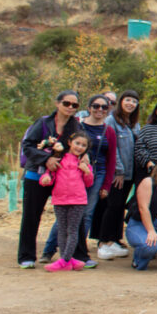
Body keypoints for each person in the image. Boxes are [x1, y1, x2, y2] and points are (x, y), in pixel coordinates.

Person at [17, 91, 90, 269]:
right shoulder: (43, 122)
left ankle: (79, 256)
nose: (70, 108)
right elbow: (27, 145)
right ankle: (26, 256)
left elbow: (80, 146)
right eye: (67, 103)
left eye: (75, 105)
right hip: (37, 175)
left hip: (64, 177)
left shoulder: (76, 127)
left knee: (74, 215)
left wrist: (85, 157)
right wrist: (46, 159)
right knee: (31, 215)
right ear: (57, 104)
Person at [42, 94, 116, 263]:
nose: (100, 110)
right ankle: (49, 249)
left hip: (97, 174)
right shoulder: (77, 125)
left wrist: (106, 185)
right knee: (65, 213)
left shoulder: (109, 131)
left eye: (104, 107)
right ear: (89, 108)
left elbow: (111, 159)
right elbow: (62, 147)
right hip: (72, 173)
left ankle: (78, 253)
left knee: (86, 214)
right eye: (96, 106)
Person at [95, 89, 140, 260]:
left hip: (130, 172)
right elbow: (112, 149)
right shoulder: (111, 120)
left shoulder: (134, 123)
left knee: (120, 206)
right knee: (112, 205)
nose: (131, 104)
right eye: (128, 100)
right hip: (117, 173)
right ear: (121, 101)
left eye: (134, 101)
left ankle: (114, 240)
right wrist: (118, 171)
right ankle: (103, 242)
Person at [41, 131, 94, 272]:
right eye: (77, 143)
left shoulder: (84, 162)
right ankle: (69, 260)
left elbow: (89, 183)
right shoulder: (60, 158)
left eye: (83, 145)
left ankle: (64, 260)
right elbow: (50, 175)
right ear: (70, 142)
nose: (79, 147)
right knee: (62, 230)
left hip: (78, 200)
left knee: (72, 230)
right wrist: (45, 180)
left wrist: (86, 171)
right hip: (59, 199)